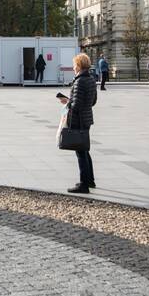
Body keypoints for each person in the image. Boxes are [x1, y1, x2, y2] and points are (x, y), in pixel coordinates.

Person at [58, 53, 96, 194]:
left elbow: (77, 105)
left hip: (78, 120)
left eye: (74, 64)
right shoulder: (91, 79)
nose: (73, 67)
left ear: (79, 65)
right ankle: (90, 180)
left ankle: (84, 184)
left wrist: (67, 102)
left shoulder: (79, 81)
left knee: (80, 152)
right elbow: (93, 101)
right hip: (87, 118)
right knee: (85, 149)